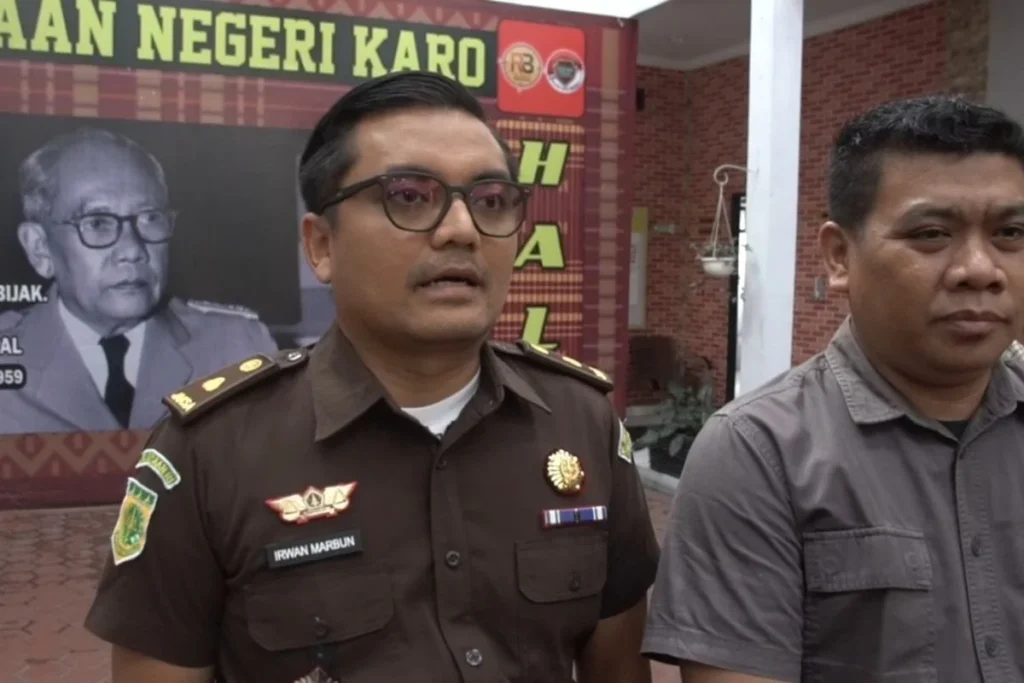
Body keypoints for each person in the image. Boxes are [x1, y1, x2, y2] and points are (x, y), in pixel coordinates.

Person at [84, 72, 659, 683]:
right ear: (321, 246)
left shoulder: (581, 422)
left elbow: (619, 668)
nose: (462, 229)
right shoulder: (211, 452)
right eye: (409, 196)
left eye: (491, 200)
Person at [642, 95, 1024, 683]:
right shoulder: (758, 453)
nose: (980, 269)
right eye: (931, 234)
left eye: (1011, 233)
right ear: (840, 256)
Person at [0, 128, 277, 434]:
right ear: (39, 248)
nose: (133, 250)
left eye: (150, 218)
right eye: (98, 223)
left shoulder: (236, 348)